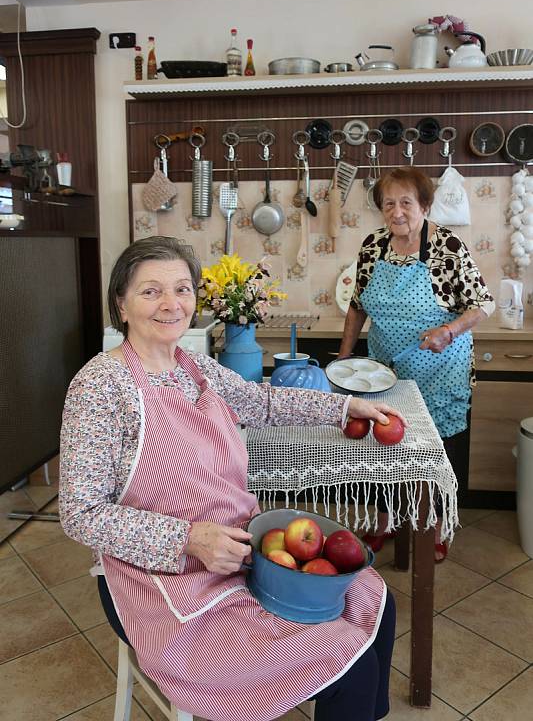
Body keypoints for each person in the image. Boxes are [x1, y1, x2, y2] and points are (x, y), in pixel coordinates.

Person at [60, 236, 405, 721]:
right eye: (150, 291)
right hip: (161, 582)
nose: (170, 304)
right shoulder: (100, 386)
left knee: (377, 603)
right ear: (121, 302)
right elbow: (81, 514)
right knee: (347, 664)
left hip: (238, 553)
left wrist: (346, 405)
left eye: (182, 289)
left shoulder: (193, 367)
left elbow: (262, 402)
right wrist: (188, 538)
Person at [338, 167, 495, 561]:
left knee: (436, 448)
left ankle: (437, 526)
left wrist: (450, 329)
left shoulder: (447, 247)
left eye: (406, 202)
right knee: (384, 445)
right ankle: (386, 518)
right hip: (386, 367)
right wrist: (342, 359)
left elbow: (482, 304)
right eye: (389, 203)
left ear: (424, 205)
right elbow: (357, 306)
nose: (397, 211)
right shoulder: (373, 246)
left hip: (440, 367)